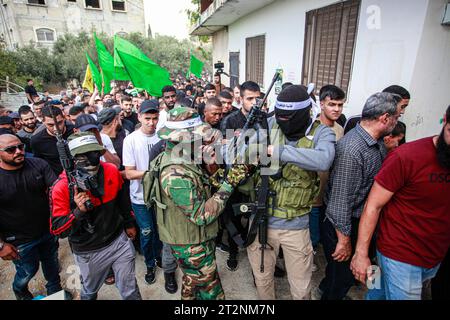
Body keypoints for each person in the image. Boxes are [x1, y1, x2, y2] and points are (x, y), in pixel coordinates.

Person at [350, 105, 450, 300]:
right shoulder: (406, 156)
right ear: (445, 120)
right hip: (398, 253)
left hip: (434, 255)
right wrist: (360, 254)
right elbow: (373, 205)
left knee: (377, 292)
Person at [246, 85, 336, 300]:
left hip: (296, 225)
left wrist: (278, 152)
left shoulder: (321, 132)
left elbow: (324, 159)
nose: (282, 121)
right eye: (279, 115)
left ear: (305, 113)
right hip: (262, 220)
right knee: (263, 280)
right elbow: (242, 149)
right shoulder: (269, 124)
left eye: (289, 117)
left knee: (301, 287)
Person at [151, 106, 246, 300]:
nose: (202, 140)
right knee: (212, 293)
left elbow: (200, 185)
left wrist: (210, 167)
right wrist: (230, 182)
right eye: (197, 137)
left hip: (193, 239)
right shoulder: (175, 173)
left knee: (192, 282)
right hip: (191, 245)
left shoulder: (184, 157)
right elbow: (201, 215)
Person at [317, 92, 402, 300]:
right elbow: (339, 202)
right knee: (343, 276)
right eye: (397, 117)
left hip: (362, 221)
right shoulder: (352, 150)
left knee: (343, 273)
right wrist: (344, 241)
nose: (398, 121)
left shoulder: (377, 142)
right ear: (384, 118)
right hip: (344, 224)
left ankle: (325, 288)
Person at [50, 132, 141, 300]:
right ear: (73, 159)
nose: (92, 159)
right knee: (89, 292)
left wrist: (129, 224)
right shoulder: (62, 187)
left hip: (118, 241)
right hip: (89, 251)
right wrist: (78, 211)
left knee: (130, 290)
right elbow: (58, 230)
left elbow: (122, 201)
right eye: (84, 155)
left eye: (95, 153)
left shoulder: (111, 170)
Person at [122, 100, 178, 293]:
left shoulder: (164, 138)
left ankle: (162, 258)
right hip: (140, 198)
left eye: (155, 118)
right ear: (139, 117)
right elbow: (128, 173)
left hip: (162, 197)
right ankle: (149, 264)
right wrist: (151, 173)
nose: (151, 123)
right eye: (147, 118)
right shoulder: (130, 140)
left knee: (163, 232)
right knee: (146, 232)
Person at [0, 134, 63, 300]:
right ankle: (20, 291)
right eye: (10, 149)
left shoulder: (38, 164)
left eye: (20, 147)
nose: (18, 152)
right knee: (27, 271)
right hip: (19, 240)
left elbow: (57, 190)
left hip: (48, 230)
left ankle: (55, 292)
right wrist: (1, 245)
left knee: (52, 265)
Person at [310, 85, 346, 267]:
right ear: (321, 104)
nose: (337, 109)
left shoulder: (340, 130)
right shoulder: (310, 128)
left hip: (330, 196)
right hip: (311, 197)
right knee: (312, 236)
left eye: (340, 105)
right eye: (332, 104)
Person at [31, 105, 74, 175]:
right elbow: (39, 164)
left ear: (64, 118)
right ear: (43, 122)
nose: (56, 129)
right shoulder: (37, 141)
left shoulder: (74, 130)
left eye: (59, 123)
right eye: (50, 125)